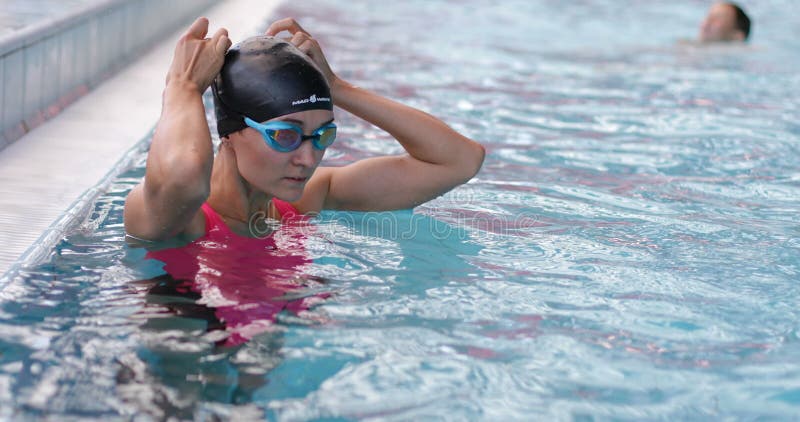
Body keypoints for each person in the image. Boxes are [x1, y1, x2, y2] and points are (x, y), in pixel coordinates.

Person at [124, 16, 485, 243]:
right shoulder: (179, 221)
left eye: (323, 135)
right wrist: (182, 87)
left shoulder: (301, 203)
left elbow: (460, 161)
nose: (308, 159)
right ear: (230, 133)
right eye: (285, 136)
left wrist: (337, 87)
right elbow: (183, 178)